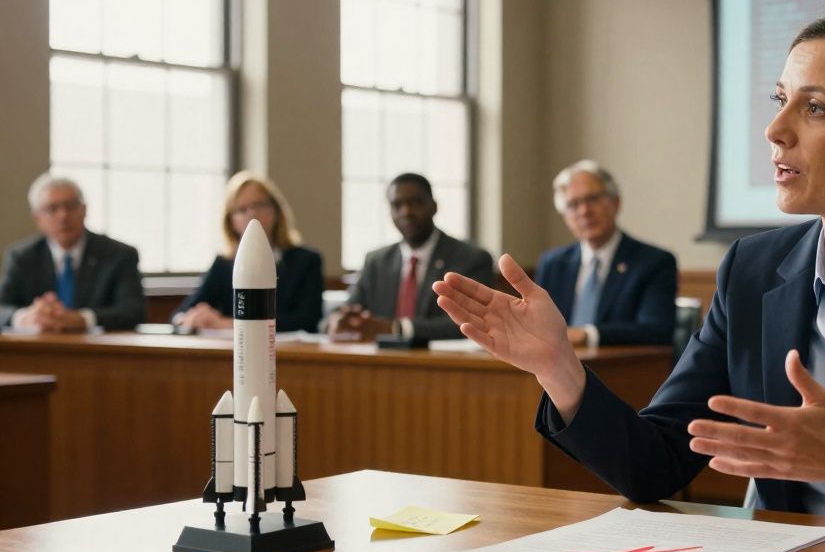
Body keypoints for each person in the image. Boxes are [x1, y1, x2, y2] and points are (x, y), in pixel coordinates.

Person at [434, 13, 825, 539]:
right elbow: (656, 466)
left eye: (814, 108)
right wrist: (560, 369)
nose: (775, 130)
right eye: (780, 100)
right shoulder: (753, 270)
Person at [327, 173, 493, 342]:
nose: (406, 212)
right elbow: (345, 310)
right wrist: (337, 321)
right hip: (380, 362)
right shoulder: (376, 261)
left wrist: (397, 329)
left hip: (443, 364)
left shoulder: (471, 259)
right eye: (397, 205)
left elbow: (472, 322)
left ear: (434, 206)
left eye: (415, 202)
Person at [536, 160, 677, 347]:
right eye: (573, 204)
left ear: (616, 203)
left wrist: (587, 335)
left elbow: (656, 329)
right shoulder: (552, 263)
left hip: (621, 371)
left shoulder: (654, 262)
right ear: (565, 217)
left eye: (593, 199)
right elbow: (539, 328)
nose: (584, 211)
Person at [173, 172, 324, 333]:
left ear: (276, 211)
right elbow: (181, 314)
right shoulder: (224, 262)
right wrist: (191, 319)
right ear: (230, 221)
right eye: (242, 209)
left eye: (259, 205)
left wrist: (227, 323)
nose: (252, 214)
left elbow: (308, 320)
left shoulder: (306, 261)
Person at [0, 173, 145, 332]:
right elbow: (3, 308)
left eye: (70, 206)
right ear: (38, 218)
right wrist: (25, 317)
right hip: (38, 351)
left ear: (84, 210)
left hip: (99, 352)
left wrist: (83, 319)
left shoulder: (120, 255)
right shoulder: (22, 257)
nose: (63, 216)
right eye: (52, 209)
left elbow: (133, 311)